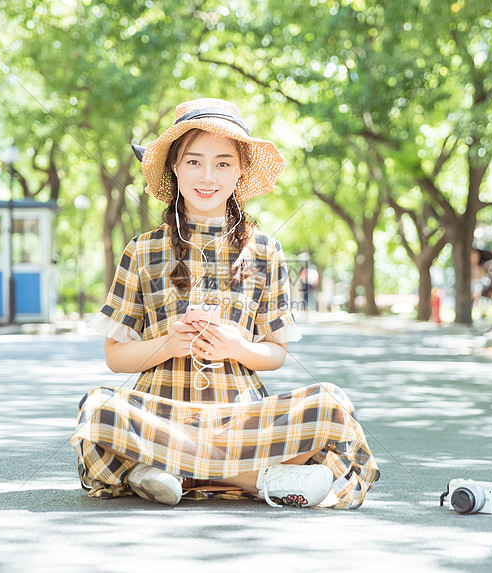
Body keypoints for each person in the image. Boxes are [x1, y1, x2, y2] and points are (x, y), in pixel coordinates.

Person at [71, 98, 379, 509]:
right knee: (98, 408)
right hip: (163, 417)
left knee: (331, 403)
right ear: (174, 168)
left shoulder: (265, 251)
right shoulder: (142, 250)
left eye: (222, 163)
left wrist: (237, 347)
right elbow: (116, 358)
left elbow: (275, 353)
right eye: (194, 161)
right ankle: (261, 481)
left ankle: (164, 473)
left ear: (239, 170)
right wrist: (170, 344)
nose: (207, 176)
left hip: (239, 423)